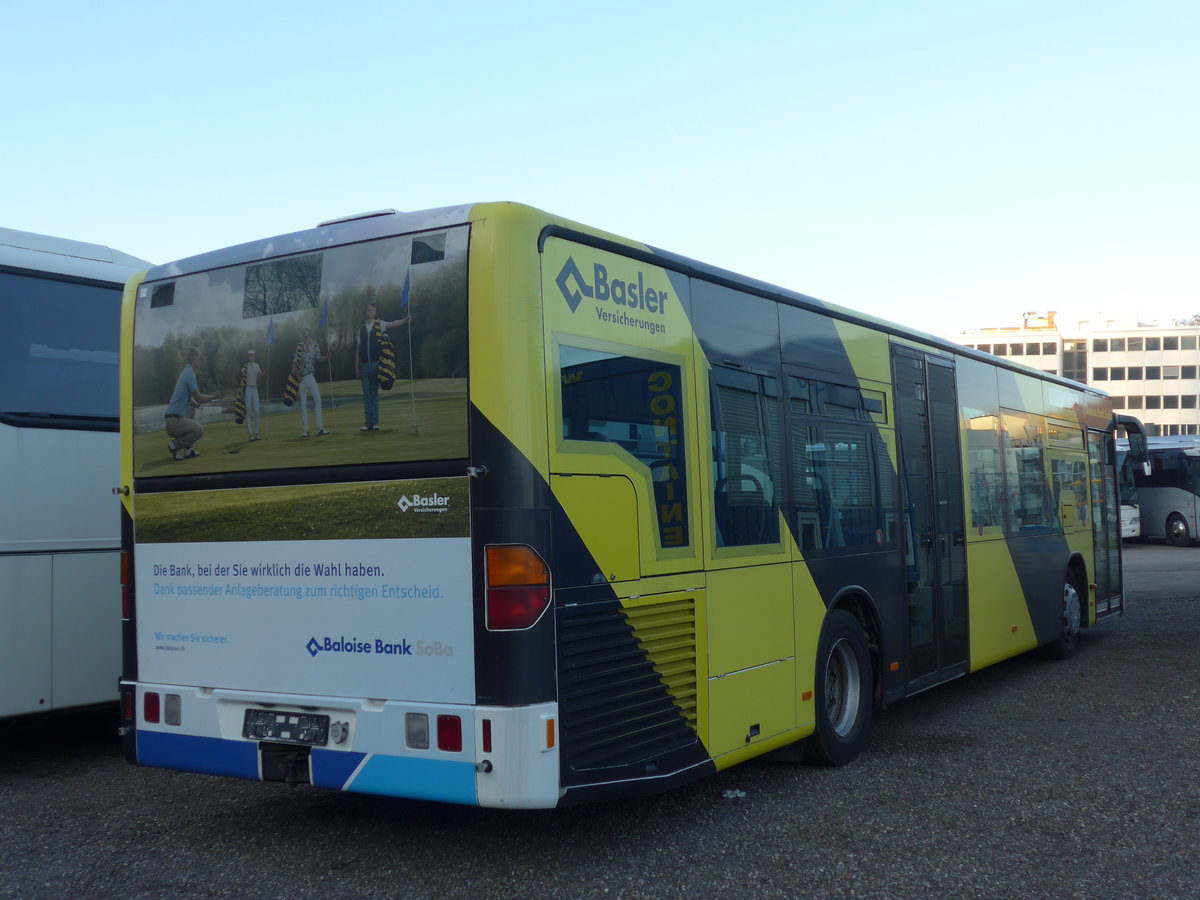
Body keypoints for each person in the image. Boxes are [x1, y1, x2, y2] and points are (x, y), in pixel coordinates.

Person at [355, 301, 411, 431]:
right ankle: (367, 423)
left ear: (375, 312)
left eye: (372, 310)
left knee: (374, 393)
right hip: (363, 365)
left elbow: (393, 324)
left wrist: (404, 320)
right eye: (368, 310)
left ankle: (374, 423)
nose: (370, 312)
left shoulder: (380, 324)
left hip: (375, 364)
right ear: (365, 312)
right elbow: (358, 349)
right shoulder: (361, 329)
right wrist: (356, 366)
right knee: (366, 394)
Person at [165, 347, 219, 460]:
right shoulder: (190, 374)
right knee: (199, 430)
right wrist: (214, 396)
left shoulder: (185, 372)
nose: (200, 360)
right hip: (174, 423)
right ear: (194, 358)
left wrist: (197, 406)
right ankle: (175, 445)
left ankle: (189, 450)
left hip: (171, 421)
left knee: (191, 409)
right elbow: (198, 397)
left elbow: (190, 400)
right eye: (199, 358)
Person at [291, 327, 330, 437]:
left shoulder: (315, 344)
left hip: (310, 377)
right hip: (301, 379)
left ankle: (320, 428)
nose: (305, 332)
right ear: (302, 333)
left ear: (310, 332)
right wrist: (297, 376)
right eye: (303, 331)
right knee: (303, 405)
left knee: (318, 399)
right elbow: (294, 363)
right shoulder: (299, 346)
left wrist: (326, 357)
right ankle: (305, 431)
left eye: (307, 330)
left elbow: (319, 359)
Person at [241, 348, 262, 440]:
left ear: (254, 356)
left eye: (252, 354)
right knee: (248, 412)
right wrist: (242, 393)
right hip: (248, 389)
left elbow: (260, 376)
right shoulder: (245, 367)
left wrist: (266, 370)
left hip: (255, 388)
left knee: (257, 411)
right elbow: (242, 381)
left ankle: (257, 433)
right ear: (248, 356)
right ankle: (250, 435)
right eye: (249, 355)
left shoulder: (257, 365)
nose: (251, 356)